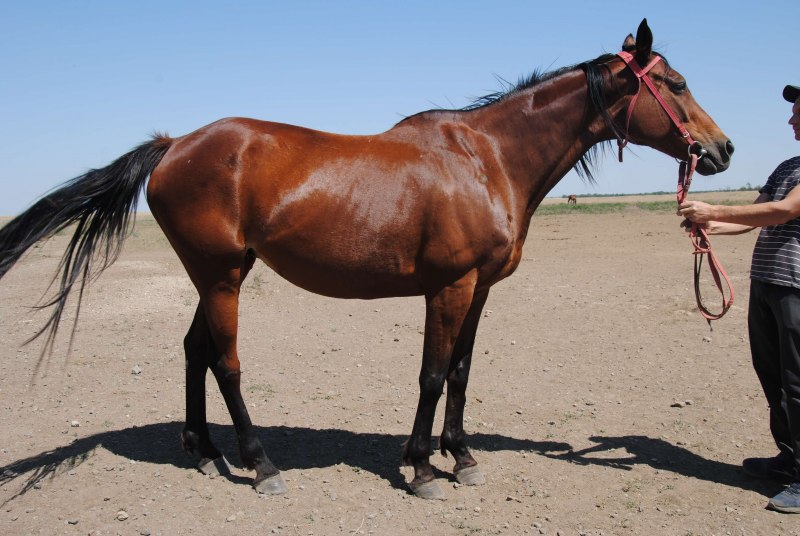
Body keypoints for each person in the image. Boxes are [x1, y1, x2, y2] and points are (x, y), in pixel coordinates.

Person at [678, 84, 800, 513]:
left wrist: (714, 211)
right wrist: (707, 227)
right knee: (773, 375)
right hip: (769, 284)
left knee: (799, 382)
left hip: (797, 289)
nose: (791, 119)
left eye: (797, 113)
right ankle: (790, 458)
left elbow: (784, 211)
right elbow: (752, 220)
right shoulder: (788, 165)